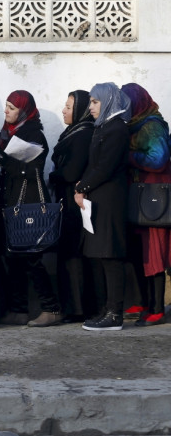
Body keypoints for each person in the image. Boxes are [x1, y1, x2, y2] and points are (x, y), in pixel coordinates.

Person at [0, 90, 63, 327]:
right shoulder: (9, 133)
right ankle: (18, 309)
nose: (6, 111)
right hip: (11, 201)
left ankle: (51, 308)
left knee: (32, 257)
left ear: (24, 110)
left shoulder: (33, 134)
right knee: (14, 257)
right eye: (6, 106)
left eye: (12, 108)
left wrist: (4, 160)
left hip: (28, 203)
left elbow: (31, 171)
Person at [75, 82, 131, 331]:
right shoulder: (104, 127)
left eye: (95, 102)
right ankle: (105, 310)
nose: (91, 107)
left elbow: (105, 167)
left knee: (110, 256)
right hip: (98, 198)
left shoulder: (117, 129)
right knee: (100, 255)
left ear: (108, 101)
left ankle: (114, 314)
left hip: (110, 200)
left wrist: (81, 187)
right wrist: (83, 186)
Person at [121, 83, 169, 327]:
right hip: (137, 197)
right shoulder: (133, 126)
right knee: (138, 252)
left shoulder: (152, 126)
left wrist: (128, 156)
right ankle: (142, 302)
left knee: (154, 253)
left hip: (153, 200)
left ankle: (157, 308)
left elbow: (158, 159)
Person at [48, 90, 96, 323]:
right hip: (66, 200)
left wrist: (54, 175)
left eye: (68, 107)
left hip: (75, 202)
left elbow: (72, 171)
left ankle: (79, 308)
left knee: (75, 254)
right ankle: (73, 306)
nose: (64, 111)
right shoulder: (73, 131)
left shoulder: (84, 133)